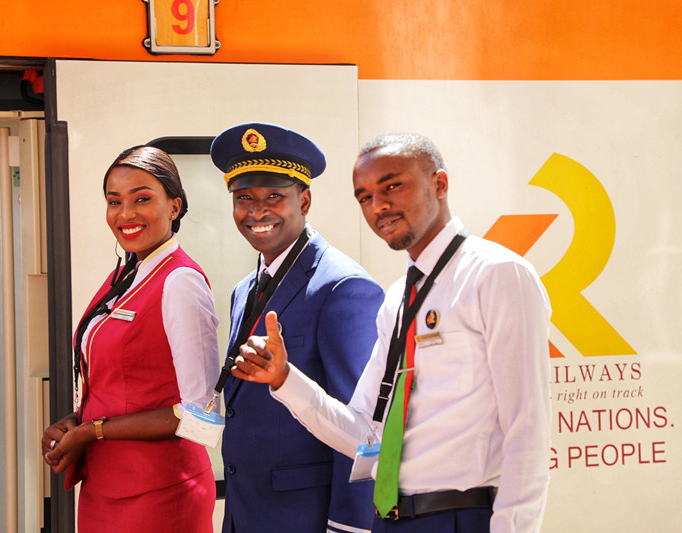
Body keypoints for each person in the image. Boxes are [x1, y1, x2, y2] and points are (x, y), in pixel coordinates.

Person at [232, 133, 552, 533]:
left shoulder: (496, 274)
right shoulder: (399, 297)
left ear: (439, 183)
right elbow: (365, 433)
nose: (378, 206)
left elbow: (528, 430)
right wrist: (284, 379)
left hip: (461, 515)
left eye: (392, 187)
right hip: (391, 519)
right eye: (363, 197)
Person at [210, 122, 385, 533]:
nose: (256, 212)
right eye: (244, 198)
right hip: (247, 512)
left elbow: (362, 426)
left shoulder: (344, 286)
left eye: (275, 196)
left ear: (304, 200)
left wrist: (349, 526)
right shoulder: (244, 290)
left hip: (307, 518)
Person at [42, 144, 219, 532]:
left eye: (142, 199)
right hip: (106, 485)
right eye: (114, 201)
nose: (126, 214)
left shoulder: (180, 281)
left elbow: (202, 413)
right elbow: (123, 382)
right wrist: (75, 422)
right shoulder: (127, 273)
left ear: (175, 206)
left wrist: (93, 430)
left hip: (159, 492)